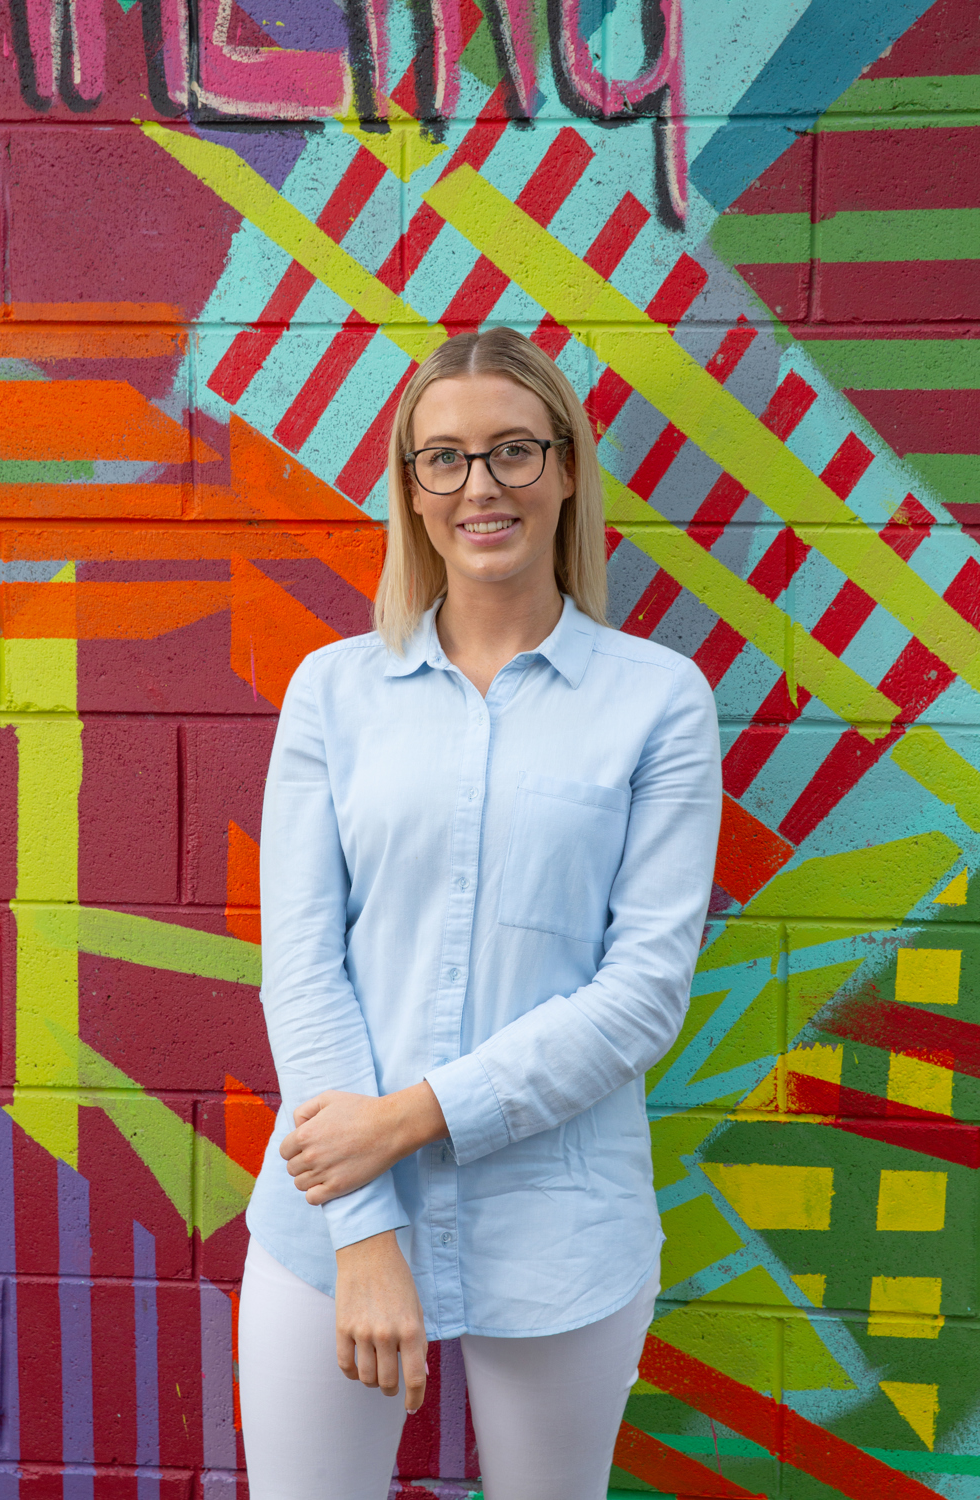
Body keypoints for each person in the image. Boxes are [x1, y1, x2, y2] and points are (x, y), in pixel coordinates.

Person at [237, 326, 722, 1500]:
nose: (480, 487)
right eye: (442, 459)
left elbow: (640, 996)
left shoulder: (656, 701)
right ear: (410, 487)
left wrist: (405, 1120)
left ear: (563, 468)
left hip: (562, 1231)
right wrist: (363, 1226)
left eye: (512, 450)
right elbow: (301, 967)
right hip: (329, 1223)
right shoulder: (333, 692)